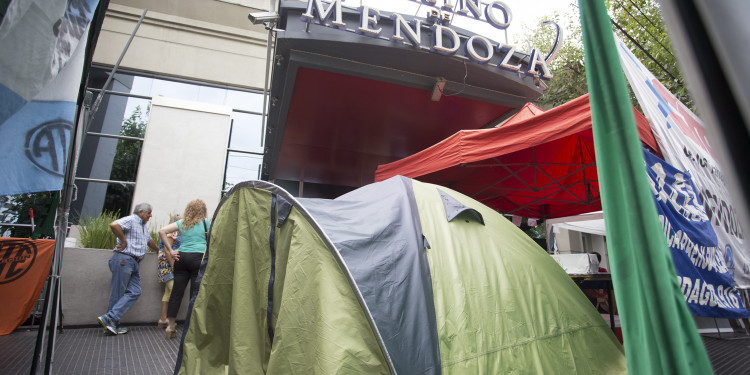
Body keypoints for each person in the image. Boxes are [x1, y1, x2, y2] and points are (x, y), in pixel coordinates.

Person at [97, 203, 159, 335]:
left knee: (135, 291)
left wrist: (161, 251)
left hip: (134, 262)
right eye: (149, 213)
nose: (150, 216)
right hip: (124, 260)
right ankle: (112, 323)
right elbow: (114, 225)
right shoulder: (131, 220)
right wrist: (124, 241)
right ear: (141, 212)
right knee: (118, 293)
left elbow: (149, 241)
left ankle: (110, 318)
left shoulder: (143, 226)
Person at [158, 199, 210, 339]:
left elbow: (162, 231)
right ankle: (192, 327)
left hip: (181, 258)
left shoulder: (182, 223)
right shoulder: (205, 222)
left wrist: (171, 250)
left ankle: (170, 326)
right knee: (195, 293)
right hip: (198, 259)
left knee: (176, 292)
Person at [157, 215, 181, 329]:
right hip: (168, 265)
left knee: (167, 292)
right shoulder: (172, 233)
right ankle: (170, 321)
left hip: (166, 265)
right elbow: (167, 249)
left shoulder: (171, 233)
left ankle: (163, 319)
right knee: (173, 289)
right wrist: (173, 265)